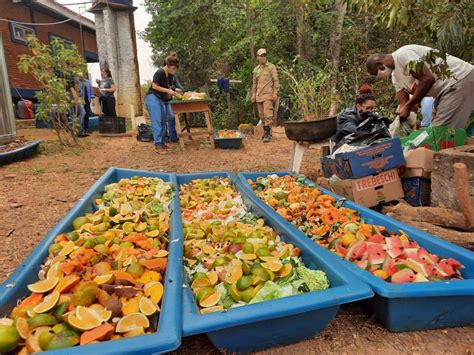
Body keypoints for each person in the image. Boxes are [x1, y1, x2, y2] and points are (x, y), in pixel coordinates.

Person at [366, 44, 474, 129]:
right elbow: (403, 102)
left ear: (379, 64)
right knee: (436, 128)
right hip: (444, 91)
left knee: (442, 130)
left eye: (376, 73)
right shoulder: (395, 77)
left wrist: (409, 105)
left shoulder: (403, 55)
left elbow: (427, 79)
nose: (378, 77)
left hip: (458, 79)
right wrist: (404, 112)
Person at [145, 53, 180, 154]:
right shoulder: (160, 72)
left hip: (162, 99)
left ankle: (162, 142)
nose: (174, 70)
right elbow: (154, 86)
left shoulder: (169, 75)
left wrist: (175, 92)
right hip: (153, 98)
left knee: (163, 121)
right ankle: (158, 144)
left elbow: (168, 88)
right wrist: (168, 91)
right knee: (158, 121)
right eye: (173, 68)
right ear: (168, 66)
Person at [251, 48, 280, 143]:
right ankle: (266, 131)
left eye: (264, 55)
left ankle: (267, 134)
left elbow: (276, 81)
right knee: (261, 115)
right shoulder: (256, 70)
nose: (263, 57)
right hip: (259, 95)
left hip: (268, 95)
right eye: (261, 55)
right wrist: (253, 95)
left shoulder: (271, 67)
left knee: (268, 114)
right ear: (257, 57)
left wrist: (275, 93)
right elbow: (254, 84)